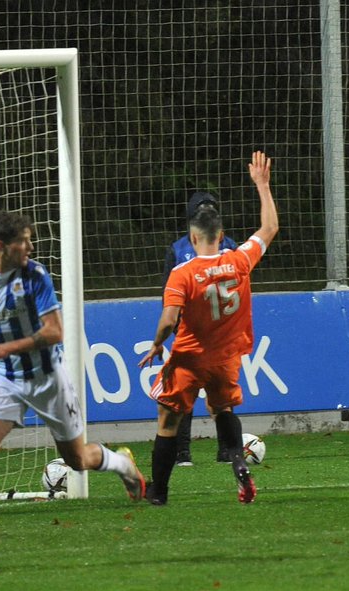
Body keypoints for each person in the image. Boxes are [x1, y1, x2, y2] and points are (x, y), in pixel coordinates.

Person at [0, 210, 146, 567]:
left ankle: (122, 464)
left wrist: (7, 347)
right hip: (6, 380)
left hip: (48, 378)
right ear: (3, 246)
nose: (30, 246)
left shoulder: (35, 276)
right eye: (23, 241)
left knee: (77, 460)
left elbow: (55, 331)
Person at [137, 151, 278, 506]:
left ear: (192, 235)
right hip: (226, 358)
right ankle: (238, 466)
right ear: (222, 234)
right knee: (223, 411)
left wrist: (156, 344)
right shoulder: (239, 259)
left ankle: (159, 491)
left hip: (189, 358)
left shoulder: (182, 273)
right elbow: (269, 228)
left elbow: (169, 320)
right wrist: (262, 185)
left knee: (167, 420)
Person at [163, 191, 238, 467]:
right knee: (188, 394)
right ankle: (183, 452)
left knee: (220, 396)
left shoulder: (229, 245)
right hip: (193, 332)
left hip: (219, 335)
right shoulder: (178, 248)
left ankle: (226, 450)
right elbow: (167, 293)